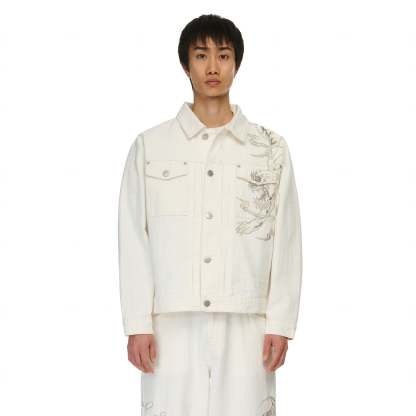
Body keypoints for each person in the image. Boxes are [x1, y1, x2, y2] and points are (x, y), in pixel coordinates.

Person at [118, 13, 303, 416]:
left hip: (247, 322)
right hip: (171, 321)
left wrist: (280, 322)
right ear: (186, 65)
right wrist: (138, 323)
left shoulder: (270, 149)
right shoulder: (151, 146)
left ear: (237, 63)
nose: (213, 66)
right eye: (201, 55)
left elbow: (287, 237)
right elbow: (133, 237)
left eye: (224, 55)